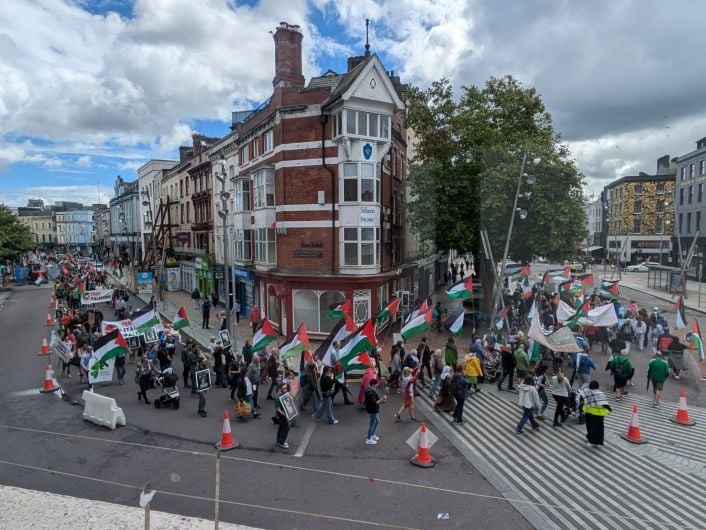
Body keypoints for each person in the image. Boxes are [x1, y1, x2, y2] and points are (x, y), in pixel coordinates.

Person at [579, 380, 611, 446]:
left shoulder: (586, 392)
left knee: (590, 427)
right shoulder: (600, 393)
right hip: (600, 413)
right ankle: (598, 441)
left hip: (589, 412)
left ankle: (591, 440)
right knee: (599, 428)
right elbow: (604, 403)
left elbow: (582, 398)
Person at [364, 378, 386, 445]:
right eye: (376, 384)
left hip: (374, 409)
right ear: (373, 384)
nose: (377, 386)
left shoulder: (371, 390)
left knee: (377, 421)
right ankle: (369, 439)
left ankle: (372, 435)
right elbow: (375, 402)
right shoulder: (370, 392)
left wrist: (383, 400)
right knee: (372, 424)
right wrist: (382, 399)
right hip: (372, 410)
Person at [275, 382, 292, 448]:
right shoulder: (278, 397)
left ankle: (278, 440)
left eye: (286, 388)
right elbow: (278, 409)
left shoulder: (285, 394)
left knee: (281, 427)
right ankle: (281, 442)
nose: (285, 389)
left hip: (284, 414)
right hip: (281, 415)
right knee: (286, 427)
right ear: (280, 389)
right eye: (284, 388)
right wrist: (285, 415)